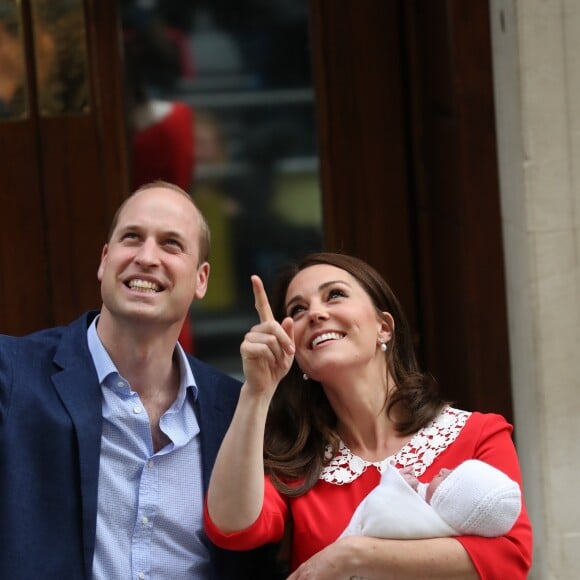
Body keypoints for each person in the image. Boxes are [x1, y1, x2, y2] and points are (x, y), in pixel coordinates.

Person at [0, 181, 282, 579]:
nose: (147, 257)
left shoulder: (235, 409)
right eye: (132, 237)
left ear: (201, 279)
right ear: (104, 260)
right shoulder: (13, 374)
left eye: (171, 244)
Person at [204, 252, 533, 579]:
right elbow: (232, 527)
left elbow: (510, 558)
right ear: (296, 354)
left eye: (334, 295)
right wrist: (256, 392)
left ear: (384, 327)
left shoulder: (479, 433)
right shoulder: (297, 464)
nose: (315, 314)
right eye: (297, 310)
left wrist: (354, 555)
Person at [340, 459, 522, 540]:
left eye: (449, 477)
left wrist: (395, 486)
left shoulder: (427, 530)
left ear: (450, 506)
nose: (443, 470)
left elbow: (379, 515)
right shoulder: (444, 518)